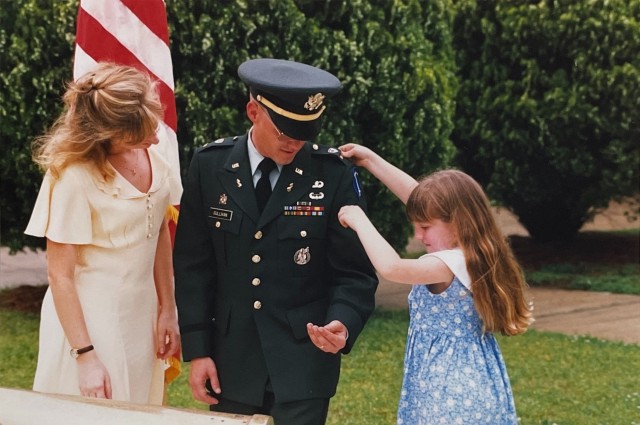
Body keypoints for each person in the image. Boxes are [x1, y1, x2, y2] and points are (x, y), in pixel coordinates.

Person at [173, 58, 378, 424]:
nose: (295, 143)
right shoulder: (210, 166)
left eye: (304, 133)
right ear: (253, 111)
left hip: (303, 362)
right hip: (230, 359)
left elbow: (355, 273)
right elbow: (193, 267)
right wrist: (199, 350)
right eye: (285, 132)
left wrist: (342, 324)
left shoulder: (331, 174)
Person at [337, 143, 533, 424]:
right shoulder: (473, 252)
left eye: (425, 227)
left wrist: (359, 220)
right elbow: (420, 198)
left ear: (458, 222)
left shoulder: (449, 263)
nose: (418, 235)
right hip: (466, 383)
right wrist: (370, 160)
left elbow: (393, 268)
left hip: (449, 390)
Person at [24, 62, 181, 404]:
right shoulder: (73, 177)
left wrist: (168, 309)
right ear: (105, 135)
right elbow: (60, 275)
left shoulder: (157, 151)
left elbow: (158, 235)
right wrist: (86, 357)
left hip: (142, 315)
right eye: (140, 135)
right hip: (89, 323)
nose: (154, 138)